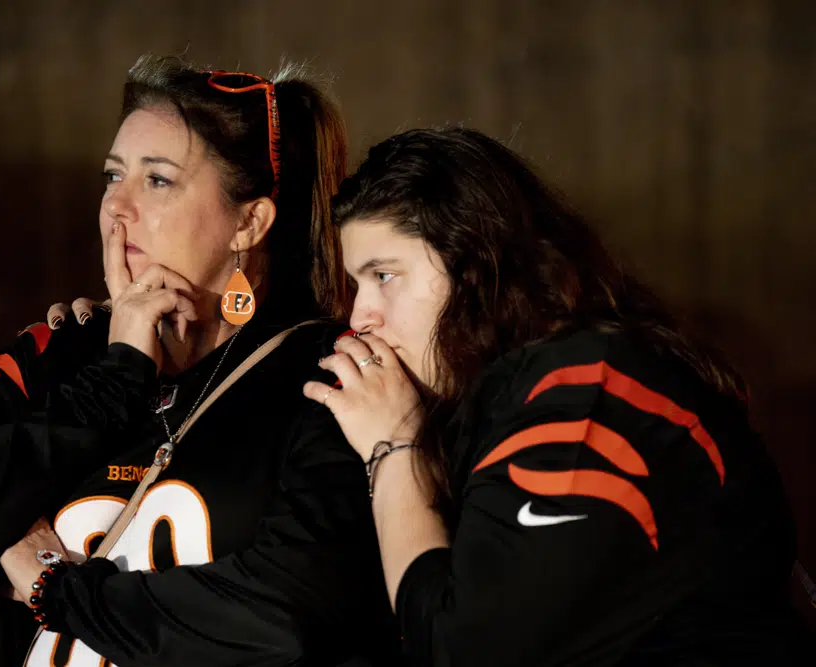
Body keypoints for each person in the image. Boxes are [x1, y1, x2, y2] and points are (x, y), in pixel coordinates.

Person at [0, 54, 401, 667]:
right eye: (111, 176)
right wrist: (117, 373)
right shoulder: (62, 348)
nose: (116, 207)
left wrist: (55, 586)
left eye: (157, 180)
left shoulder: (324, 372)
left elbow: (285, 617)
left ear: (249, 221)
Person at [304, 127, 807, 666]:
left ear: (475, 263)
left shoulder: (587, 390)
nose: (360, 317)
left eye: (384, 275)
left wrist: (394, 447)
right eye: (357, 285)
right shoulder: (519, 393)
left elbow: (469, 652)